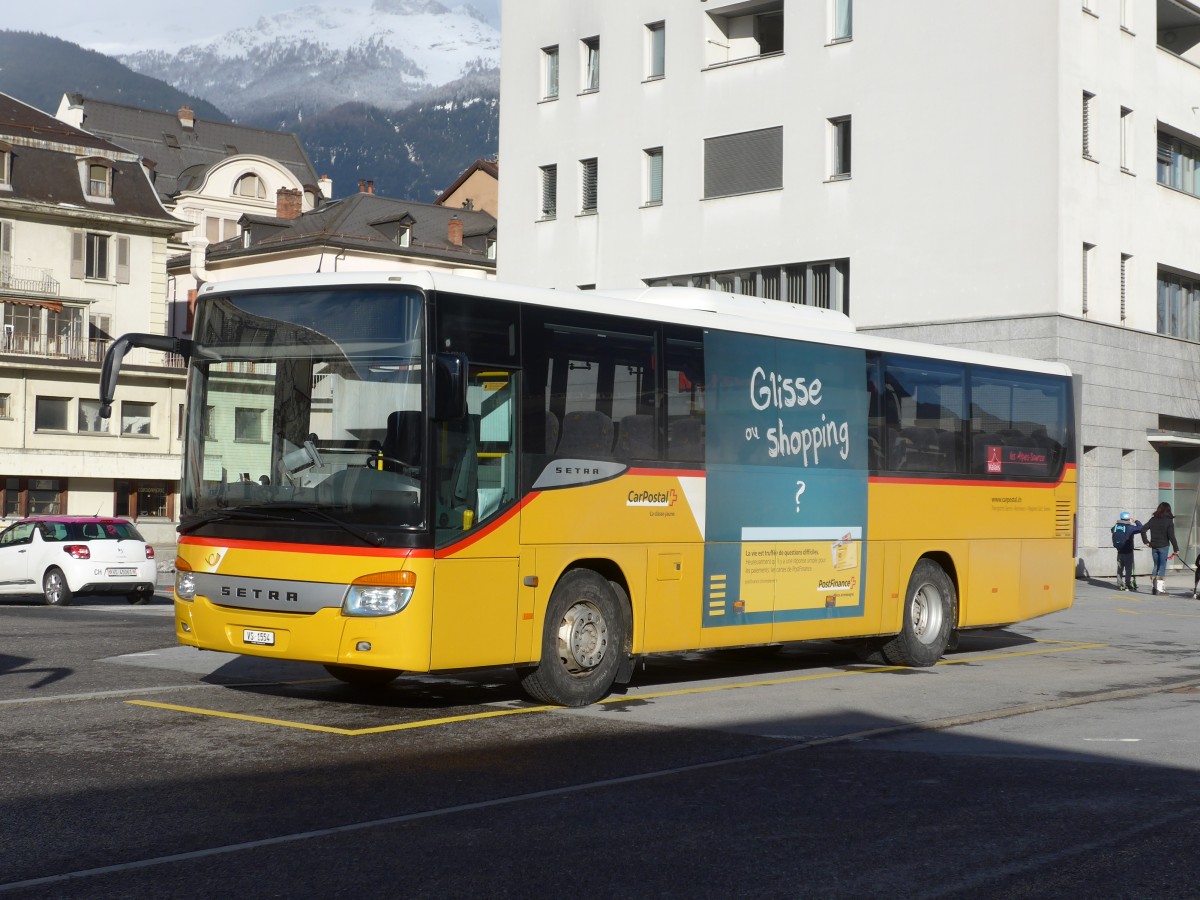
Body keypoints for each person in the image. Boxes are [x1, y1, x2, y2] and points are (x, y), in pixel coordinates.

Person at [1141, 502, 1179, 595]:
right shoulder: (1169, 521)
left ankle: (1154, 589)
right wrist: (1176, 549)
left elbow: (1143, 529)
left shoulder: (1153, 519)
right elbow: (1171, 536)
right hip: (1163, 546)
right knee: (1162, 566)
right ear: (1168, 510)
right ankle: (1160, 590)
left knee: (1156, 566)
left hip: (1154, 546)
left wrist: (1146, 542)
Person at [1110, 511, 1143, 591]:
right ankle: (1127, 583)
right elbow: (1141, 528)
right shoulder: (1129, 527)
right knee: (1128, 568)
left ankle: (1119, 583)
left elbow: (1112, 530)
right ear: (1128, 518)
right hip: (1128, 551)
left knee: (1120, 568)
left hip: (1119, 550)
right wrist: (1136, 521)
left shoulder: (1116, 526)